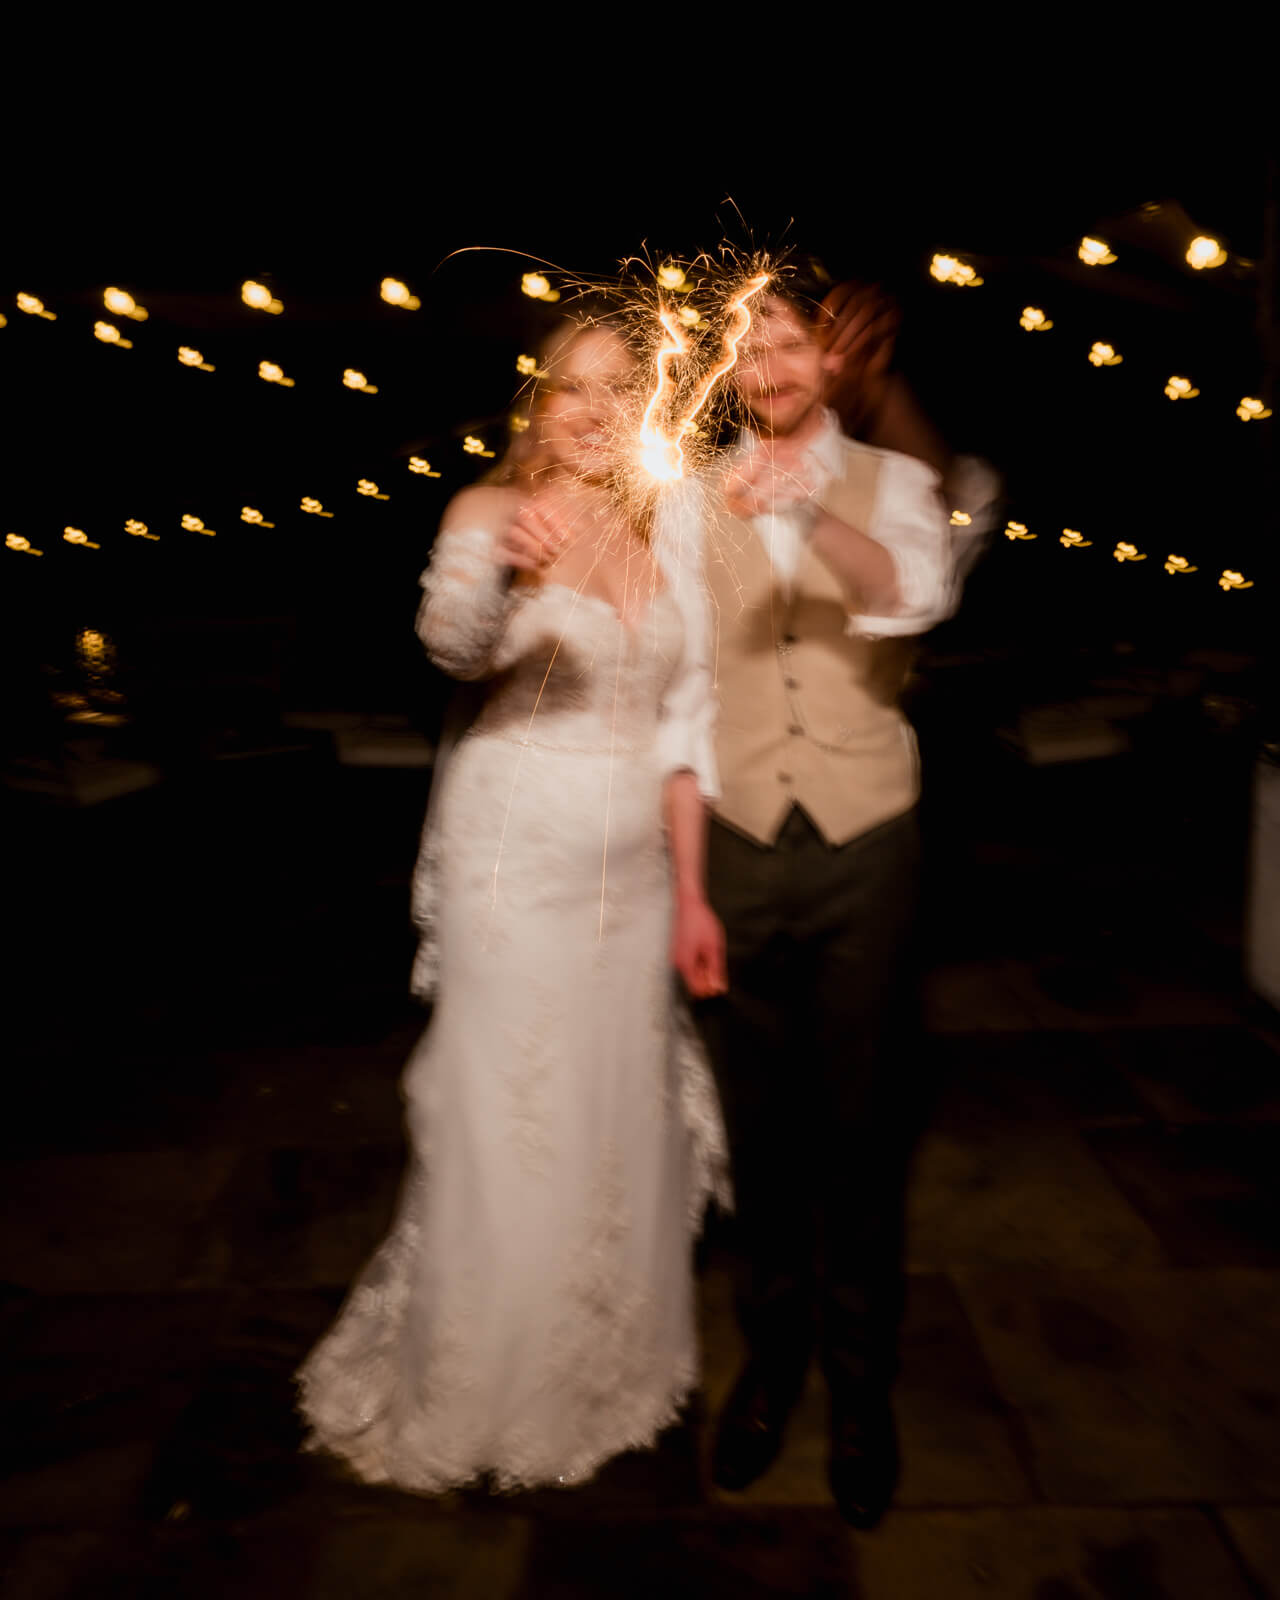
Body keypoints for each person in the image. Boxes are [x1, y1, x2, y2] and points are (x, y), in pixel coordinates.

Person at [295, 309, 731, 1493]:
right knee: (507, 1110)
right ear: (536, 403)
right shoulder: (489, 514)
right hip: (514, 866)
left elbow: (689, 724)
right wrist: (498, 570)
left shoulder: (674, 528)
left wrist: (694, 891)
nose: (589, 410)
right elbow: (452, 646)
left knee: (606, 1100)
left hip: (633, 882)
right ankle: (480, 1377)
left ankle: (607, 1359)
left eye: (615, 388)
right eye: (567, 387)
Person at [668, 262, 1000, 1528]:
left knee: (860, 1130)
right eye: (746, 348)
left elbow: (912, 596)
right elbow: (679, 699)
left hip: (866, 845)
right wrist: (688, 889)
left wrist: (802, 513)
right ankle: (770, 1365)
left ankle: (860, 1390)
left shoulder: (900, 484)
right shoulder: (686, 498)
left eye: (790, 342)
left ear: (832, 362)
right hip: (739, 842)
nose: (768, 367)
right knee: (759, 1134)